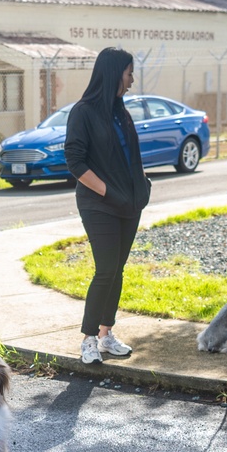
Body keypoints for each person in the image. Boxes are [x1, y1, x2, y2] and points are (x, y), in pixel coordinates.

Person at [65, 47, 151, 365]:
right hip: (98, 205)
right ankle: (88, 339)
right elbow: (75, 161)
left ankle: (106, 334)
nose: (132, 79)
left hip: (129, 204)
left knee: (118, 271)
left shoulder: (120, 112)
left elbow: (129, 158)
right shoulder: (83, 112)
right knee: (105, 270)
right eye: (129, 72)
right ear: (115, 74)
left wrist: (141, 189)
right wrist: (109, 193)